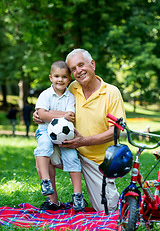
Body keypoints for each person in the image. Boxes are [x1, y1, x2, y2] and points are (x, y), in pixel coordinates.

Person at [33, 49, 126, 212]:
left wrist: (83, 141)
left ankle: (89, 196)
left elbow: (116, 132)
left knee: (108, 209)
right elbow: (53, 104)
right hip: (68, 149)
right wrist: (40, 114)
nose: (78, 71)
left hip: (95, 160)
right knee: (43, 150)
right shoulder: (71, 88)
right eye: (73, 69)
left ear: (93, 64)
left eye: (81, 65)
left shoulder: (111, 92)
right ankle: (52, 201)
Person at [34, 60, 85, 212]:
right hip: (45, 131)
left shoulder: (70, 97)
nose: (60, 80)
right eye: (56, 76)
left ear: (69, 79)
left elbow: (71, 116)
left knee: (72, 158)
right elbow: (42, 114)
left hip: (65, 134)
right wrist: (62, 115)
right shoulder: (45, 95)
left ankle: (77, 195)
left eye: (64, 77)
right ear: (51, 78)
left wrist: (51, 114)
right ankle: (45, 181)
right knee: (44, 146)